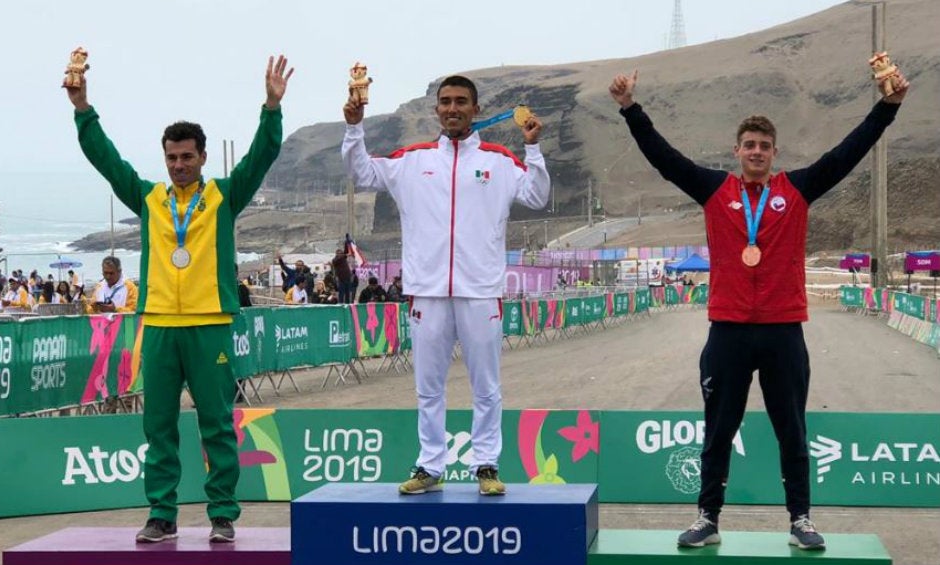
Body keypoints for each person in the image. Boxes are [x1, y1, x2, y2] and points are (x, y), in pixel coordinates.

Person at [608, 67, 910, 550]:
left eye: (763, 146)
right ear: (737, 151)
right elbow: (664, 159)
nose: (755, 152)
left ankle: (801, 521)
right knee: (718, 431)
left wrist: (887, 108)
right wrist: (630, 108)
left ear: (774, 153)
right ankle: (707, 518)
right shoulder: (713, 190)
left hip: (783, 330)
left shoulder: (796, 190)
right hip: (727, 329)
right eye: (748, 144)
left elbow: (848, 153)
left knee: (792, 430)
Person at [66, 53, 294, 544]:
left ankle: (223, 513)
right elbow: (108, 161)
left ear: (203, 157)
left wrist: (271, 109)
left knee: (215, 422)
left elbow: (262, 157)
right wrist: (84, 109)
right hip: (161, 325)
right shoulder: (148, 198)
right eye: (171, 157)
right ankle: (162, 514)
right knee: (159, 426)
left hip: (211, 322)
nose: (178, 164)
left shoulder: (225, 197)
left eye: (187, 156)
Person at [342, 74, 550, 495]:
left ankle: (486, 464)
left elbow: (537, 196)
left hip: (480, 291)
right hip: (428, 292)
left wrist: (532, 148)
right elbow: (361, 172)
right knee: (428, 387)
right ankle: (430, 465)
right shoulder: (412, 160)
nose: (452, 108)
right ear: (436, 110)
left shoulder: (498, 160)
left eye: (461, 102)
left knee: (486, 387)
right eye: (445, 102)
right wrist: (354, 127)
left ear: (475, 109)